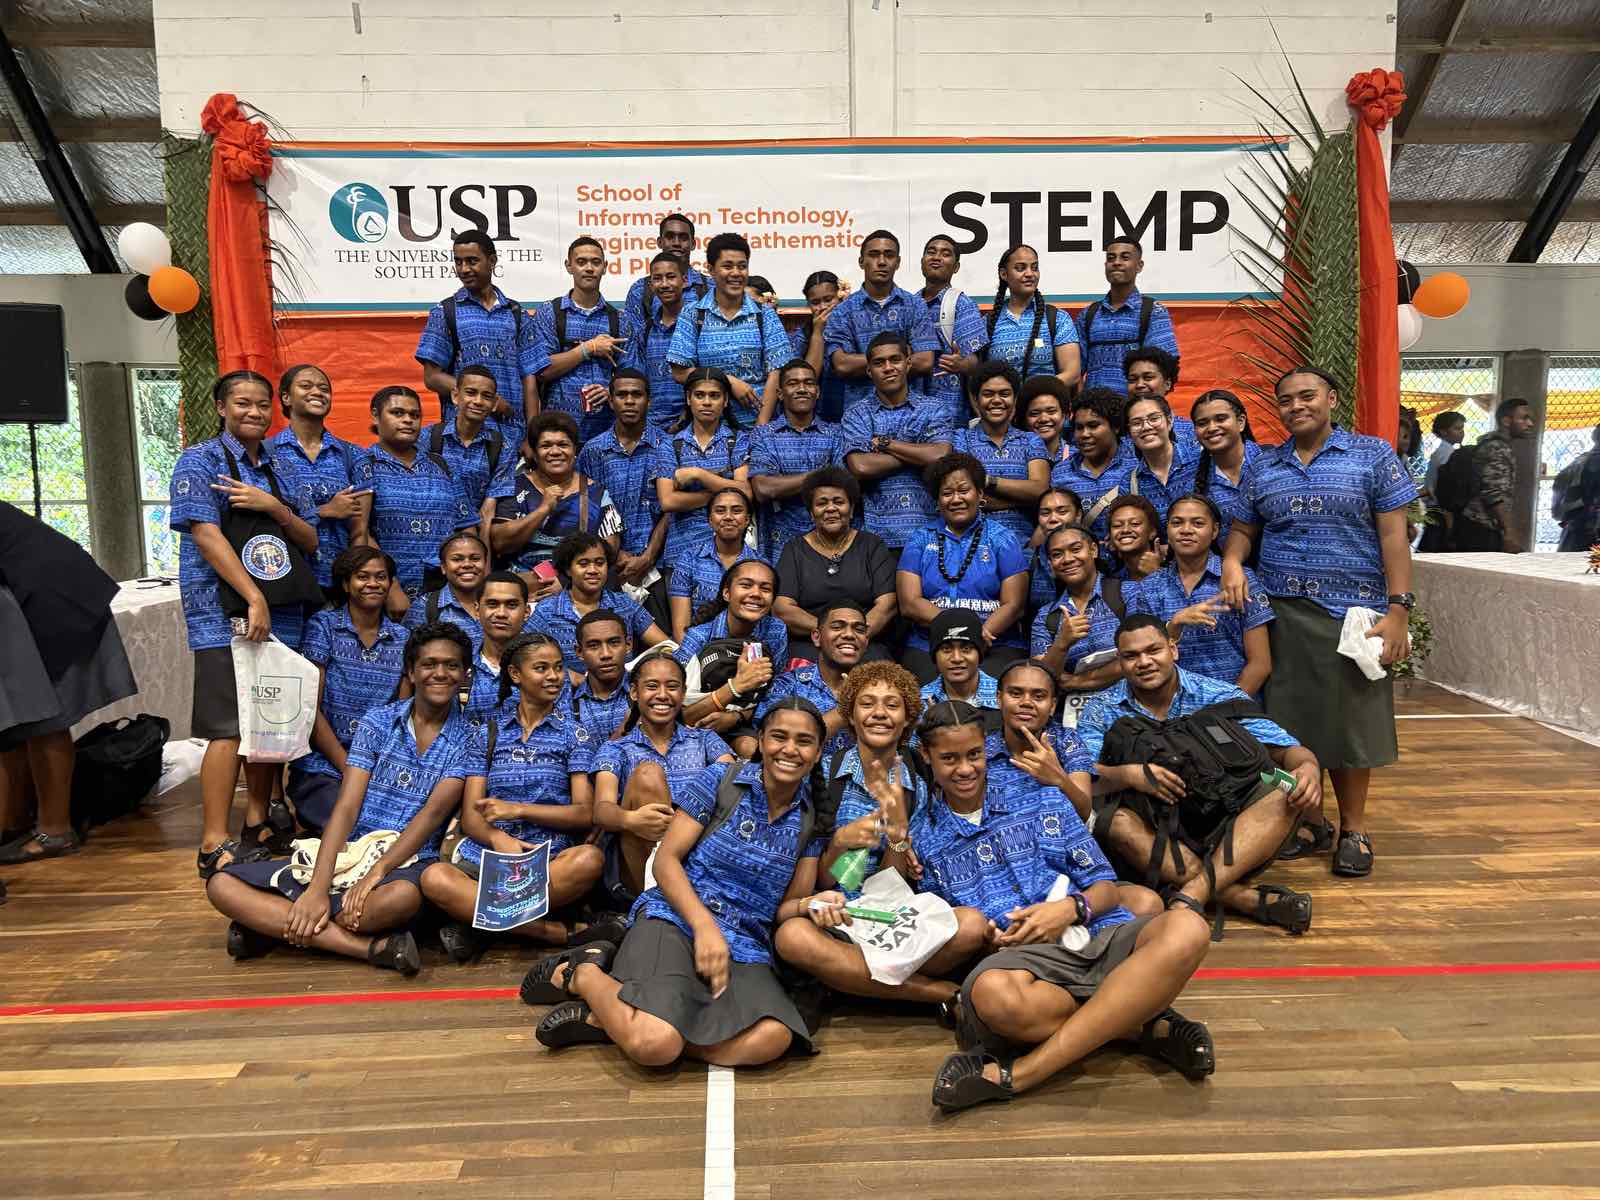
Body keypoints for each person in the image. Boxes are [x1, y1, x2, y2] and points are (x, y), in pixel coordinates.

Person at [911, 700, 1215, 1112]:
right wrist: (991, 941)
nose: (965, 769)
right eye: (949, 759)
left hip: (1096, 935)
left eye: (974, 754)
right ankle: (1141, 1021)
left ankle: (1022, 1073)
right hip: (1025, 968)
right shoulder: (922, 836)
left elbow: (1106, 888)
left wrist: (1071, 909)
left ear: (986, 747)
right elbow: (949, 931)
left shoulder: (1040, 796)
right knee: (993, 996)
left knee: (1188, 927)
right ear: (926, 755)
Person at [524, 701, 831, 1067]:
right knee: (655, 1045)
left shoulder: (813, 819)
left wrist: (812, 905)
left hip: (745, 943)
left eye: (804, 741)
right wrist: (704, 928)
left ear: (818, 752)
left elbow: (785, 909)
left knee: (773, 1038)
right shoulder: (722, 779)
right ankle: (584, 974)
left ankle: (612, 1021)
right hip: (676, 917)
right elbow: (666, 861)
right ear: (761, 740)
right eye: (779, 737)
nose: (790, 749)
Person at [1222, 366, 1418, 878]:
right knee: (1292, 725)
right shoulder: (1264, 465)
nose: (1296, 406)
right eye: (1286, 400)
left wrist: (1399, 609)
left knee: (1351, 727)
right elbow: (1243, 529)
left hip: (1352, 615)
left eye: (1306, 396)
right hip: (1282, 613)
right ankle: (1312, 822)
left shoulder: (1372, 456)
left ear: (1331, 398)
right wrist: (1232, 561)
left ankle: (1354, 829)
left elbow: (1394, 537)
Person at [208, 623, 477, 974]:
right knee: (221, 885)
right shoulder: (378, 722)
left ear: (465, 675)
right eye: (428, 664)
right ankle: (370, 947)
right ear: (411, 672)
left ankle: (273, 925)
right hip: (349, 854)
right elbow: (347, 808)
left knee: (402, 899)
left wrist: (377, 872)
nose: (440, 673)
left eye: (452, 665)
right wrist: (318, 889)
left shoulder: (471, 738)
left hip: (407, 863)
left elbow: (431, 816)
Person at [1073, 614, 1318, 937]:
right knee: (1113, 821)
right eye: (1131, 656)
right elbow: (1081, 775)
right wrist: (1128, 774)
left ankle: (1193, 892)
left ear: (1173, 649)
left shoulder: (1217, 694)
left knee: (1284, 786)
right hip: (1157, 832)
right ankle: (1241, 899)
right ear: (1120, 662)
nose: (1144, 662)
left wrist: (1308, 767)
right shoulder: (1101, 708)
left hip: (1231, 822)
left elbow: (1285, 749)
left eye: (1153, 650)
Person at [172, 371, 322, 877]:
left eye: (262, 404)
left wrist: (273, 506)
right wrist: (252, 596)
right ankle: (213, 840)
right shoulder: (201, 461)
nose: (254, 412)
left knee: (268, 721)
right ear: (221, 407)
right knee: (229, 727)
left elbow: (309, 539)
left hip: (282, 611)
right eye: (242, 403)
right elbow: (205, 534)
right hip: (224, 611)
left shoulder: (281, 465)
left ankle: (257, 821)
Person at [774, 662, 989, 1010]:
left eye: (892, 705)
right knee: (793, 938)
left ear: (907, 719)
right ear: (851, 714)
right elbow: (826, 880)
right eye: (867, 703)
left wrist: (897, 836)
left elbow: (891, 885)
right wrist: (842, 843)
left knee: (971, 926)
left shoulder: (918, 782)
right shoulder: (823, 774)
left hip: (890, 917)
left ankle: (849, 979)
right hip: (838, 914)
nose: (879, 713)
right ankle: (941, 993)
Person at [421, 631, 607, 960]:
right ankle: (548, 931)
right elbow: (472, 817)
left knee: (590, 859)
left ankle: (481, 925)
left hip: (548, 859)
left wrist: (518, 810)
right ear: (515, 675)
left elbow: (584, 813)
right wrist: (497, 839)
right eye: (541, 668)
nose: (554, 676)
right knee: (435, 878)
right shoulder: (488, 734)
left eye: (558, 667)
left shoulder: (575, 734)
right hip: (487, 858)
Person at [0, 502, 137, 867]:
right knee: (18, 724)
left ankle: (54, 831)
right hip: (39, 591)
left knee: (44, 717)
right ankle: (18, 822)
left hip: (53, 599)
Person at [591, 652, 735, 901]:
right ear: (634, 692)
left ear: (683, 692)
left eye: (672, 686)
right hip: (641, 864)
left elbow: (733, 791)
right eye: (651, 686)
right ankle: (661, 900)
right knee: (648, 774)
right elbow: (601, 811)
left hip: (698, 852)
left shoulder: (704, 740)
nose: (662, 695)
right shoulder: (616, 749)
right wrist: (630, 819)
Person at [290, 546, 411, 835]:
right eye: (362, 576)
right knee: (347, 824)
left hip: (379, 765)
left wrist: (375, 770)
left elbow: (403, 714)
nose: (373, 584)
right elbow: (310, 709)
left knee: (397, 826)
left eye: (380, 577)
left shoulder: (403, 638)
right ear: (346, 584)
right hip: (324, 766)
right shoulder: (324, 627)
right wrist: (350, 769)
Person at [897, 453, 1029, 682]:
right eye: (947, 493)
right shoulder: (919, 539)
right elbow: (909, 604)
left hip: (993, 641)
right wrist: (956, 629)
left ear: (980, 494)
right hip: (929, 644)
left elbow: (1014, 605)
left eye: (964, 490)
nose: (956, 499)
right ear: (938, 500)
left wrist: (977, 635)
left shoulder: (1003, 538)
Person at [356, 385, 477, 616]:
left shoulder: (442, 465)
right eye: (397, 413)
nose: (408, 420)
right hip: (386, 594)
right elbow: (359, 532)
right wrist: (390, 587)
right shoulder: (363, 464)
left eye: (415, 415)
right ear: (375, 416)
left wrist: (469, 582)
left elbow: (466, 527)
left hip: (446, 593)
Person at [1138, 495, 1273, 696]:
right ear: (1167, 530)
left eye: (1198, 523)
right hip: (1171, 706)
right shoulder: (1149, 587)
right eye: (1177, 523)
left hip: (1234, 703)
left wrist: (1225, 708)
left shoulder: (1241, 579)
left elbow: (1260, 664)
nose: (1186, 530)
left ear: (1215, 530)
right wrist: (1174, 625)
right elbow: (1140, 655)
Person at [415, 231, 537, 433]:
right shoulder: (445, 311)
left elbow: (529, 377)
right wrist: (487, 397)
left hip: (513, 432)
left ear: (492, 261)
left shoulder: (517, 313)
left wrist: (532, 435)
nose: (464, 269)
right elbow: (432, 377)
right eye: (458, 262)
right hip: (462, 435)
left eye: (472, 261)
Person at [773, 467, 899, 663]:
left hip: (864, 644)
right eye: (821, 503)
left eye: (839, 502)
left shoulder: (872, 545)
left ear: (851, 509)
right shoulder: (794, 549)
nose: (831, 508)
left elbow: (887, 605)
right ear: (811, 513)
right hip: (810, 645)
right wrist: (830, 634)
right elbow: (782, 609)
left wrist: (853, 636)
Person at [842, 332, 953, 552]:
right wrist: (919, 454)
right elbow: (861, 466)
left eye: (895, 360)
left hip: (931, 533)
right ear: (869, 371)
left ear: (908, 363)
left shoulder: (934, 408)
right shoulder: (856, 414)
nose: (888, 368)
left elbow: (941, 455)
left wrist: (886, 444)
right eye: (879, 363)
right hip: (877, 537)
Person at [575, 367, 669, 623]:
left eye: (636, 395)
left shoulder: (667, 446)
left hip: (659, 567)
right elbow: (584, 513)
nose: (629, 401)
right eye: (622, 395)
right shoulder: (593, 451)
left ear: (649, 401)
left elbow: (672, 510)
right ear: (611, 401)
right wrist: (615, 555)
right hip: (607, 568)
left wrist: (648, 556)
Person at [269, 363, 369, 602]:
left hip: (338, 582)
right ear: (286, 397)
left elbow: (359, 530)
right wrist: (324, 511)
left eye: (324, 389)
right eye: (306, 386)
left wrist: (355, 582)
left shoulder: (353, 454)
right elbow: (268, 520)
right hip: (285, 578)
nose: (317, 392)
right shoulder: (266, 453)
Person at [668, 232, 792, 425]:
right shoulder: (693, 314)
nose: (736, 273)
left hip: (758, 425)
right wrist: (727, 381)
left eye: (742, 266)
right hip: (708, 429)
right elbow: (679, 372)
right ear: (711, 270)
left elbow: (776, 373)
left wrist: (761, 429)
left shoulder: (764, 314)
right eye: (727, 266)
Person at [677, 559, 788, 755]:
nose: (756, 594)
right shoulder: (699, 636)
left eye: (765, 589)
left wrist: (737, 717)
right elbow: (676, 700)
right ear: (727, 593)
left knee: (751, 749)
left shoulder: (775, 631)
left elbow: (775, 691)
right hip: (698, 716)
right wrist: (735, 687)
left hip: (748, 718)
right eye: (746, 585)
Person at [493, 412, 619, 586]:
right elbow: (499, 543)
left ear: (575, 450)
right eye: (545, 445)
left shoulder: (597, 493)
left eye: (563, 445)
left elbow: (609, 553)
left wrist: (566, 581)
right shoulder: (514, 487)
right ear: (534, 453)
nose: (555, 452)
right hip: (519, 589)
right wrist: (543, 509)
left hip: (577, 589)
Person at [1032, 523, 1141, 723]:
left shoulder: (1128, 593)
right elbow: (1040, 681)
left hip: (1132, 713)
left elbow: (1141, 657)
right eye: (1057, 555)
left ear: (1093, 550)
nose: (1067, 559)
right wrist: (1061, 644)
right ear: (1050, 564)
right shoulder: (1046, 616)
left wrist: (1075, 682)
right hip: (1073, 722)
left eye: (1075, 549)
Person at [824, 230, 940, 411]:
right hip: (860, 415)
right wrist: (900, 358)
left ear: (898, 262)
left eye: (889, 255)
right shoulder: (842, 311)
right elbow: (842, 365)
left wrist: (865, 363)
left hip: (912, 414)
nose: (882, 261)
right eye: (873, 254)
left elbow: (925, 361)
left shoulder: (915, 305)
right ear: (861, 262)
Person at [530, 236, 631, 442]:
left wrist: (611, 392)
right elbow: (541, 370)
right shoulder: (550, 313)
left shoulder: (620, 319)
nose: (589, 268)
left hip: (607, 434)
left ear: (605, 267)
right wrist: (588, 349)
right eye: (581, 262)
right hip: (557, 434)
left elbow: (632, 375)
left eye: (595, 262)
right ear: (569, 266)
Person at [528, 532, 664, 674]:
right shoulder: (547, 611)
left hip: (622, 686)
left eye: (599, 563)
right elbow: (522, 656)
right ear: (568, 570)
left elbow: (666, 646)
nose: (593, 570)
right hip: (567, 688)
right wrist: (569, 676)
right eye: (583, 564)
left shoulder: (624, 604)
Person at [748, 359, 844, 562]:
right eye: (793, 383)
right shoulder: (763, 435)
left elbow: (842, 485)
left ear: (817, 391)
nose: (802, 389)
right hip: (779, 547)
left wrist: (784, 484)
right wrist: (823, 475)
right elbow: (763, 489)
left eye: (809, 383)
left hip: (830, 545)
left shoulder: (836, 433)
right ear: (780, 393)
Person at [948, 362, 1051, 547]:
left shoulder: (1031, 440)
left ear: (1015, 399)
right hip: (973, 545)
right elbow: (965, 496)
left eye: (1004, 394)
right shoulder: (961, 438)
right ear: (976, 400)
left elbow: (1040, 490)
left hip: (1023, 545)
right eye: (988, 394)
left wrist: (988, 481)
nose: (996, 400)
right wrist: (1022, 499)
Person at [756, 600, 868, 754]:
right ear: (816, 637)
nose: (849, 634)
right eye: (837, 627)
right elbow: (769, 744)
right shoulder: (788, 684)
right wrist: (844, 709)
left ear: (866, 642)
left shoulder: (879, 689)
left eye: (859, 630)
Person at [417, 364, 517, 535]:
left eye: (486, 396)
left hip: (474, 535)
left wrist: (481, 547)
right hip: (430, 530)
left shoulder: (503, 446)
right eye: (471, 393)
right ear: (456, 396)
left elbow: (488, 510)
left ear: (494, 404)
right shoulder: (427, 437)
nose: (478, 401)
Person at [1077, 239, 1180, 394]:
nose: (1116, 263)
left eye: (1125, 257)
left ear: (1139, 266)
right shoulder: (1088, 314)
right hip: (1094, 407)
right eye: (1111, 258)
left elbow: (1164, 366)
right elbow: (1075, 370)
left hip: (1135, 407)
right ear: (1105, 265)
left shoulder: (1153, 311)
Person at [667, 488, 765, 643]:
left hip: (748, 648)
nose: (728, 517)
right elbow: (681, 631)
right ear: (710, 520)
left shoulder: (761, 565)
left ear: (747, 519)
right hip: (697, 649)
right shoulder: (689, 559)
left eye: (736, 511)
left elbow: (764, 625)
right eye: (720, 511)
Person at [982, 245, 1081, 387]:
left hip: (1044, 400)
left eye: (1034, 268)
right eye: (1020, 268)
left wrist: (1032, 394)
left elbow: (1072, 374)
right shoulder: (987, 322)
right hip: (1001, 401)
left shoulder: (1058, 319)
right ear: (1004, 274)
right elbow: (976, 377)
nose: (1029, 274)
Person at [919, 233, 989, 427]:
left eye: (945, 254)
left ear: (956, 267)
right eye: (931, 252)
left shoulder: (962, 304)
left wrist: (963, 364)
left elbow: (976, 362)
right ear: (922, 262)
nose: (936, 257)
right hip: (911, 411)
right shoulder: (909, 304)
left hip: (950, 414)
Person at [622, 253, 692, 434]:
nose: (665, 284)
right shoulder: (645, 331)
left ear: (684, 281)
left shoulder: (698, 325)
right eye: (658, 278)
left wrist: (685, 419)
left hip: (693, 425)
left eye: (671, 277)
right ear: (651, 285)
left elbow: (708, 378)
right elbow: (637, 380)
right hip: (652, 428)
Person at [1053, 388, 1135, 542]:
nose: (1084, 434)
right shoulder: (1061, 472)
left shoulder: (1137, 464)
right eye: (1079, 428)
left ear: (1116, 427)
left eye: (1093, 425)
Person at [1454, 398, 1535, 553]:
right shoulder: (1497, 448)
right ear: (1506, 421)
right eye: (1524, 418)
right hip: (1480, 527)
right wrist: (1509, 532)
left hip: (1478, 525)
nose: (1530, 423)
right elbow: (1494, 493)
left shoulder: (1493, 444)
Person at [1188, 389, 1260, 547]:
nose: (1212, 428)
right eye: (1202, 423)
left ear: (1241, 422)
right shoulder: (1191, 478)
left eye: (1221, 419)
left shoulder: (1273, 462)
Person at [461, 571, 530, 727]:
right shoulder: (458, 664)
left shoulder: (546, 666)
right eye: (492, 604)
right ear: (477, 610)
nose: (501, 613)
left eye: (511, 605)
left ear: (526, 612)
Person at [622, 213, 711, 335]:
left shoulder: (711, 287)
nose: (676, 243)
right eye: (670, 237)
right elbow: (633, 340)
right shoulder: (640, 290)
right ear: (660, 242)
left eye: (683, 238)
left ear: (693, 244)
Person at [402, 532, 489, 649]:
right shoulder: (425, 606)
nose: (467, 564)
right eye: (457, 559)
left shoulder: (501, 603)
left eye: (475, 558)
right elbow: (409, 654)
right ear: (443, 567)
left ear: (485, 563)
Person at [1124, 392, 1199, 527]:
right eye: (1136, 423)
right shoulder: (1129, 483)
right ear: (1129, 433)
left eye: (1154, 419)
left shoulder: (1200, 462)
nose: (1146, 427)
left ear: (1169, 422)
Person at [790, 270, 849, 422]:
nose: (822, 307)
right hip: (818, 416)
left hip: (853, 407)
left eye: (828, 300)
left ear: (840, 297)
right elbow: (807, 378)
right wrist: (818, 333)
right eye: (815, 303)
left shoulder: (853, 325)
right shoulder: (802, 336)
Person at [569, 609, 635, 744]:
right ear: (579, 651)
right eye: (593, 646)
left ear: (628, 645)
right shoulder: (565, 701)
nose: (606, 654)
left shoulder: (647, 694)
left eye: (614, 643)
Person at [918, 608, 1001, 713]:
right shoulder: (920, 702)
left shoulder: (1003, 697)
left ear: (979, 654)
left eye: (966, 649)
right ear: (934, 656)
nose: (956, 658)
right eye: (946, 649)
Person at [1123, 346, 1196, 447]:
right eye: (1132, 379)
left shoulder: (1190, 432)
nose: (1139, 385)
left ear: (1167, 384)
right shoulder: (1117, 432)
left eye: (1148, 377)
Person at [1027, 487, 1083, 614]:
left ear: (1078, 515)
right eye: (1045, 513)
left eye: (1062, 512)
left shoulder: (1098, 553)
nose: (1053, 519)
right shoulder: (1026, 560)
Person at [1419, 410, 1465, 553]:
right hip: (1440, 509)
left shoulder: (1446, 451)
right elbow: (1447, 485)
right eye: (1457, 428)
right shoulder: (1446, 453)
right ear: (1443, 432)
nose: (1462, 432)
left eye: (1462, 428)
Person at [1555, 426, 1600, 552]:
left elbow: (1558, 494)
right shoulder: (1593, 462)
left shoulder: (1580, 460)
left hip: (1573, 530)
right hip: (1590, 532)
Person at [1018, 376, 1074, 474]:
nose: (1043, 419)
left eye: (1051, 411)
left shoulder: (1077, 456)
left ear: (1065, 415)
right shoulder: (1015, 457)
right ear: (1024, 420)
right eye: (1034, 413)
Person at [1103, 495, 1165, 582]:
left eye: (1135, 524)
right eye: (1117, 525)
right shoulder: (1111, 581)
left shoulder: (1175, 572)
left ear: (1152, 531)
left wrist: (1156, 574)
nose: (1125, 530)